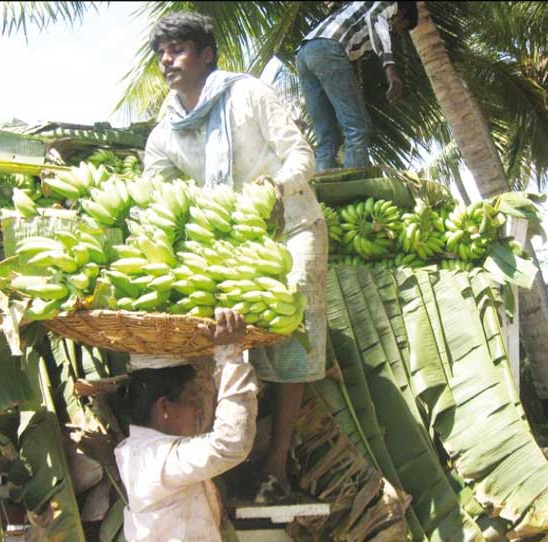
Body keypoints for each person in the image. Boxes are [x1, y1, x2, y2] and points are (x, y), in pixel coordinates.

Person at [142, 12, 328, 503]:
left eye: (180, 49)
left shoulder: (248, 95)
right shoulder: (165, 133)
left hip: (289, 224)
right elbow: (154, 196)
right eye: (163, 52)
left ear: (206, 55)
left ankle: (277, 462)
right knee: (224, 336)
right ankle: (221, 455)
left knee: (291, 346)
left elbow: (301, 154)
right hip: (225, 241)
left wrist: (275, 188)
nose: (168, 60)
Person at [114, 308, 256, 542]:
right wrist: (230, 357)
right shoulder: (152, 458)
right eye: (192, 401)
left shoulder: (146, 451)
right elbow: (230, 444)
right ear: (165, 408)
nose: (198, 410)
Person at [296, 1, 419, 171]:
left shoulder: (363, 28)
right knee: (357, 127)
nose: (398, 32)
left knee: (327, 136)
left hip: (304, 53)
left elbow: (349, 65)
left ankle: (324, 192)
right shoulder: (389, 4)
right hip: (327, 47)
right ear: (403, 14)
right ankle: (354, 187)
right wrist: (390, 68)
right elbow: (376, 19)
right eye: (403, 27)